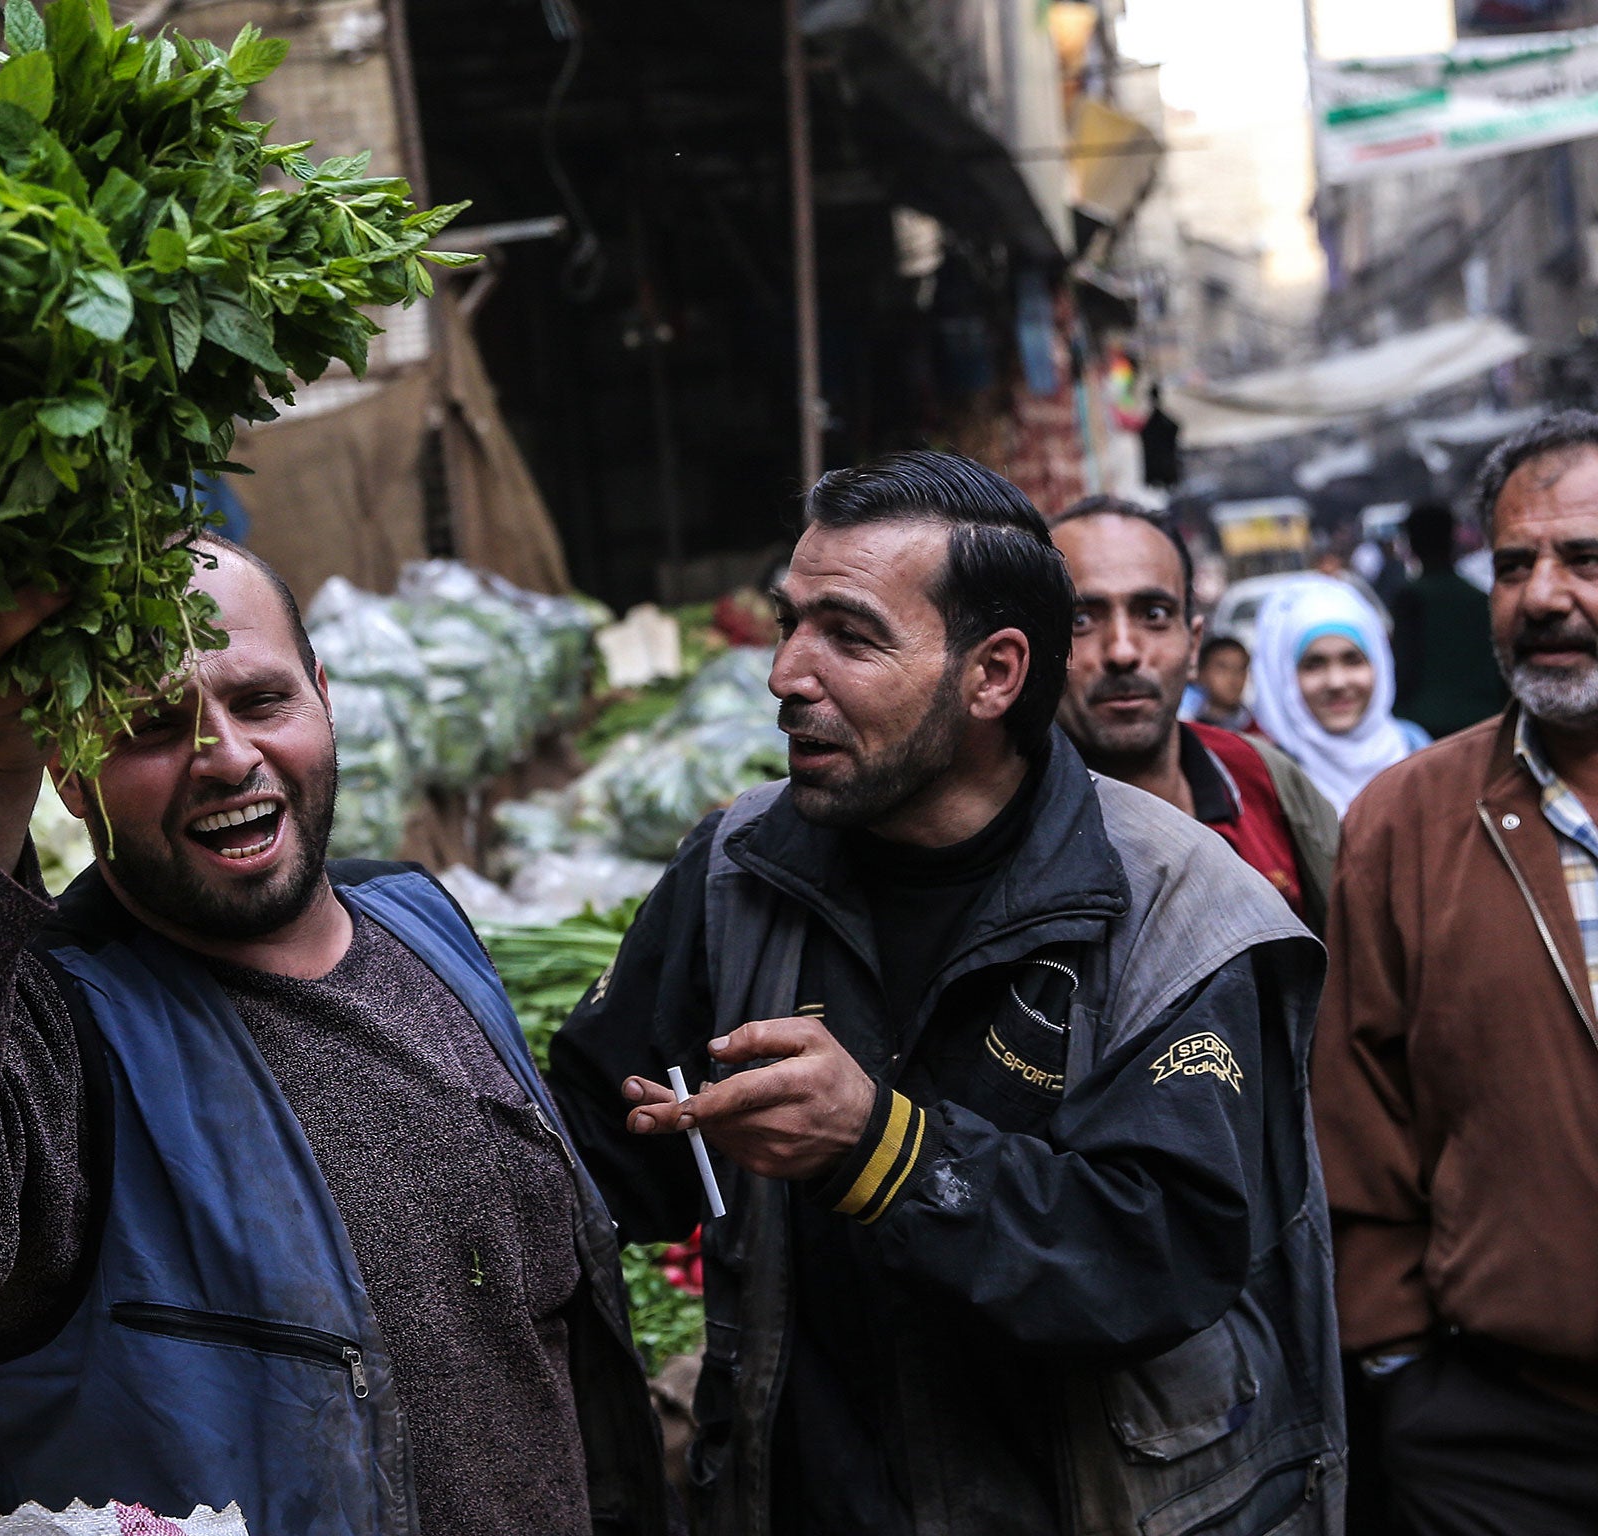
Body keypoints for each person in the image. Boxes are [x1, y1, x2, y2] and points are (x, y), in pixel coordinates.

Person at [0, 540, 668, 1535]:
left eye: (261, 701)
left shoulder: (419, 922)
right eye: (148, 726)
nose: (225, 754)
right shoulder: (58, 1044)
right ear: (65, 768)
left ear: (322, 694)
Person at [549, 452, 1343, 1536]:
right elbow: (598, 1150)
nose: (786, 671)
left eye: (849, 634)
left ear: (992, 674)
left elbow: (1158, 1256)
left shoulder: (1179, 906)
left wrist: (882, 1151)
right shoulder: (739, 870)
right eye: (789, 622)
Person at [1317, 410, 1598, 1533]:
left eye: (1584, 559)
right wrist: (1398, 1372)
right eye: (1513, 562)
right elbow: (1356, 1116)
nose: (1540, 596)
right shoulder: (1408, 818)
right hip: (1503, 1444)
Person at [1049, 499, 1337, 927]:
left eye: (1154, 614)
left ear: (1194, 644)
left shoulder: (1261, 778)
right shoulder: (1002, 826)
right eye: (1081, 620)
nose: (1123, 651)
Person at [1247, 574, 1428, 816]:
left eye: (1352, 660)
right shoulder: (1266, 779)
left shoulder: (1416, 749)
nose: (1336, 682)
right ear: (1285, 680)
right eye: (1314, 664)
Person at [1391, 500, 1508, 738]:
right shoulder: (1480, 599)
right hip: (1485, 722)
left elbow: (1404, 669)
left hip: (1426, 725)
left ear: (1412, 543)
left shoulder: (1410, 598)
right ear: (1452, 539)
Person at [1187, 635, 1255, 731]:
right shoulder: (1187, 729)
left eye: (1240, 669)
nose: (1232, 678)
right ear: (1201, 673)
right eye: (1222, 668)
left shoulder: (1261, 732)